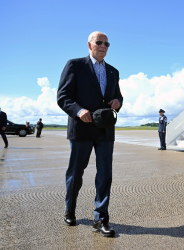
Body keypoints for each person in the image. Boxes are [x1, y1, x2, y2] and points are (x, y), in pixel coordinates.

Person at [57, 31, 123, 237]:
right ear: (89, 45)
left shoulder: (113, 71)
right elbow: (63, 97)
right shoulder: (75, 65)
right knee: (75, 173)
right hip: (82, 128)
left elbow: (118, 96)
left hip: (105, 130)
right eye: (99, 42)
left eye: (107, 43)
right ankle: (70, 210)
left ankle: (101, 218)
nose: (103, 46)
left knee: (105, 175)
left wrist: (117, 102)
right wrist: (79, 111)